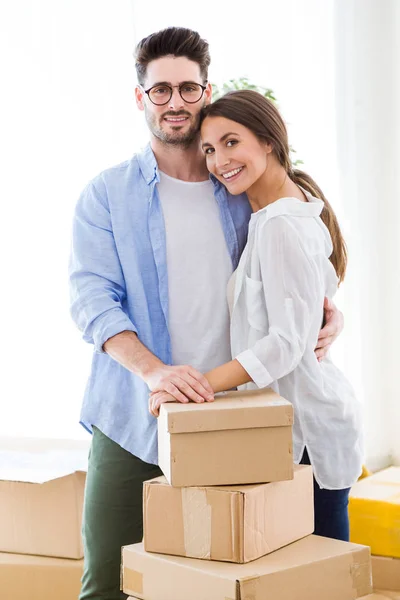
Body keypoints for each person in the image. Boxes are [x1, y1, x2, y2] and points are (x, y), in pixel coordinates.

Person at [69, 27, 344, 600]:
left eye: (188, 89)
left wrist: (329, 310)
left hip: (239, 419)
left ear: (206, 91)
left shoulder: (240, 184)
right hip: (134, 415)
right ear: (140, 98)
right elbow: (92, 300)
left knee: (237, 581)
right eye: (161, 89)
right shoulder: (108, 195)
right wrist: (156, 373)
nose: (176, 102)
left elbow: (298, 265)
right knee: (108, 585)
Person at [151, 89, 364, 543]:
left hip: (309, 432)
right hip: (298, 421)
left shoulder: (282, 223)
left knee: (317, 578)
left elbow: (286, 343)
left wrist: (197, 387)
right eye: (208, 149)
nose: (218, 160)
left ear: (269, 140)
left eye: (231, 142)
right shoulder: (280, 210)